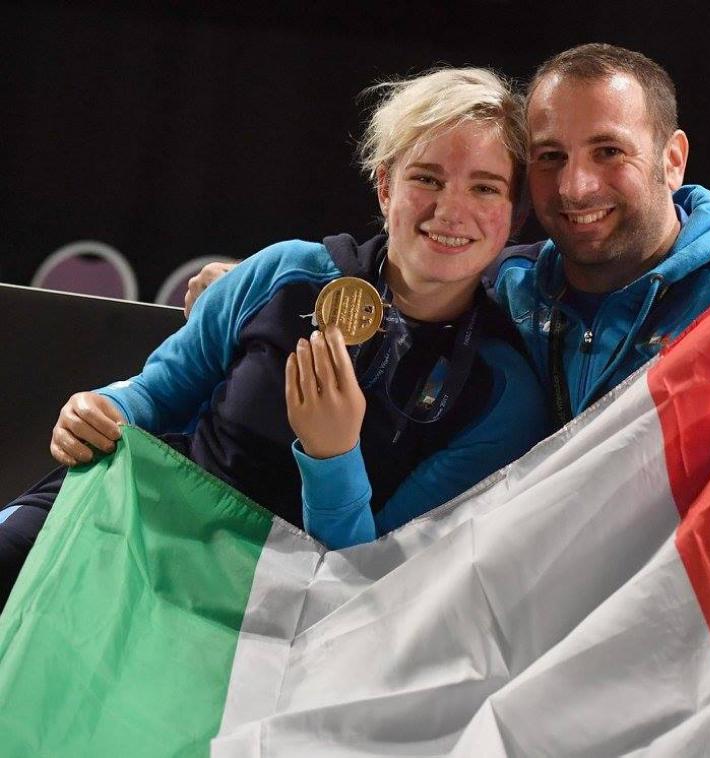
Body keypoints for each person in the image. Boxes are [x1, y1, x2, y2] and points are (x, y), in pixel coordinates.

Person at [186, 43, 710, 515]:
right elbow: (401, 265)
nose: (577, 187)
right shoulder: (516, 281)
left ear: (673, 158)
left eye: (609, 152)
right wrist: (242, 292)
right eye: (551, 158)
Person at [0, 67, 548, 605]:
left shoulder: (501, 393)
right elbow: (156, 392)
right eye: (426, 178)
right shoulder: (285, 272)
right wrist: (102, 408)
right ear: (385, 186)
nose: (451, 210)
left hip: (265, 603)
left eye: (485, 188)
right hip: (141, 514)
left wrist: (332, 456)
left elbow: (369, 581)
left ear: (514, 215)